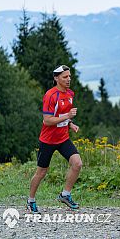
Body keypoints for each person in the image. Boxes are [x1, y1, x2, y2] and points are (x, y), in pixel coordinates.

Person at [27, 65, 82, 214]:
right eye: (65, 77)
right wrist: (68, 117)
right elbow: (47, 121)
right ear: (56, 78)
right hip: (48, 140)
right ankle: (30, 200)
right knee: (41, 172)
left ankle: (65, 195)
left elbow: (62, 115)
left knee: (77, 164)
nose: (68, 79)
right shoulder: (51, 95)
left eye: (69, 76)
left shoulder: (70, 94)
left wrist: (70, 124)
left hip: (63, 138)